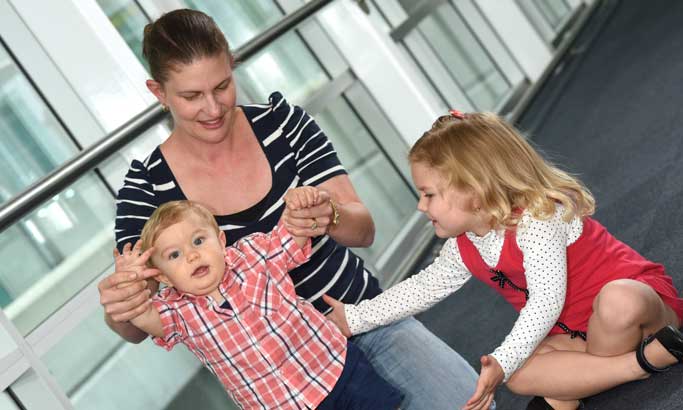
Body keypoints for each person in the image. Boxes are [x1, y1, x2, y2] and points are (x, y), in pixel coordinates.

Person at [97, 8, 480, 410]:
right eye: (192, 96)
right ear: (159, 93)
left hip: (361, 317)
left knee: (473, 403)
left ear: (234, 67)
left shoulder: (285, 125)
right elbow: (135, 323)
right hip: (281, 381)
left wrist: (327, 214)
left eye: (223, 85)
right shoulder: (146, 189)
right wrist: (121, 306)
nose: (213, 108)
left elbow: (363, 230)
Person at [324, 110, 683, 410]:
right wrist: (355, 317)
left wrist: (504, 358)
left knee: (619, 301)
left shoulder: (539, 218)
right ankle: (639, 364)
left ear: (475, 192)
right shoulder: (464, 245)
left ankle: (580, 385)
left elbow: (545, 303)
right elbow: (422, 288)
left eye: (429, 194)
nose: (421, 206)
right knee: (520, 375)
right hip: (579, 335)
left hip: (640, 310)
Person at [116, 195, 403, 409]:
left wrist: (299, 206)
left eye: (199, 241)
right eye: (174, 255)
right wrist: (130, 281)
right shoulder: (175, 311)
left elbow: (292, 233)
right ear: (163, 276)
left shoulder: (253, 254)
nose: (192, 255)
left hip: (337, 371)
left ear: (220, 239)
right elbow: (142, 315)